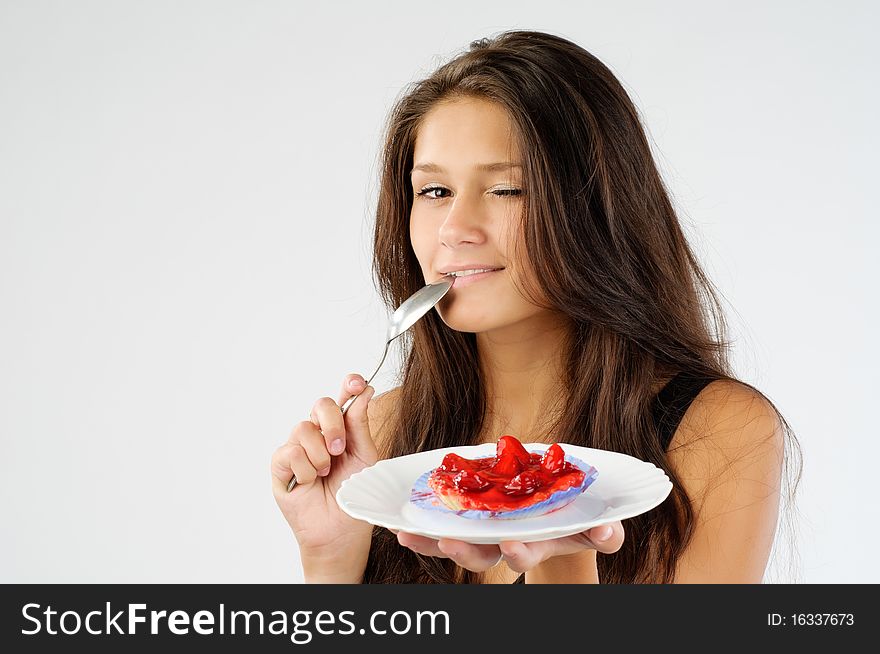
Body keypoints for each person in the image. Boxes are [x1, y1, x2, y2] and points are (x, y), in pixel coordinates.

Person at [271, 30, 802, 584]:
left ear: (594, 209)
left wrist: (564, 558)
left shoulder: (716, 430)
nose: (454, 230)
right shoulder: (382, 433)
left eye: (505, 191)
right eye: (433, 192)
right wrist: (331, 556)